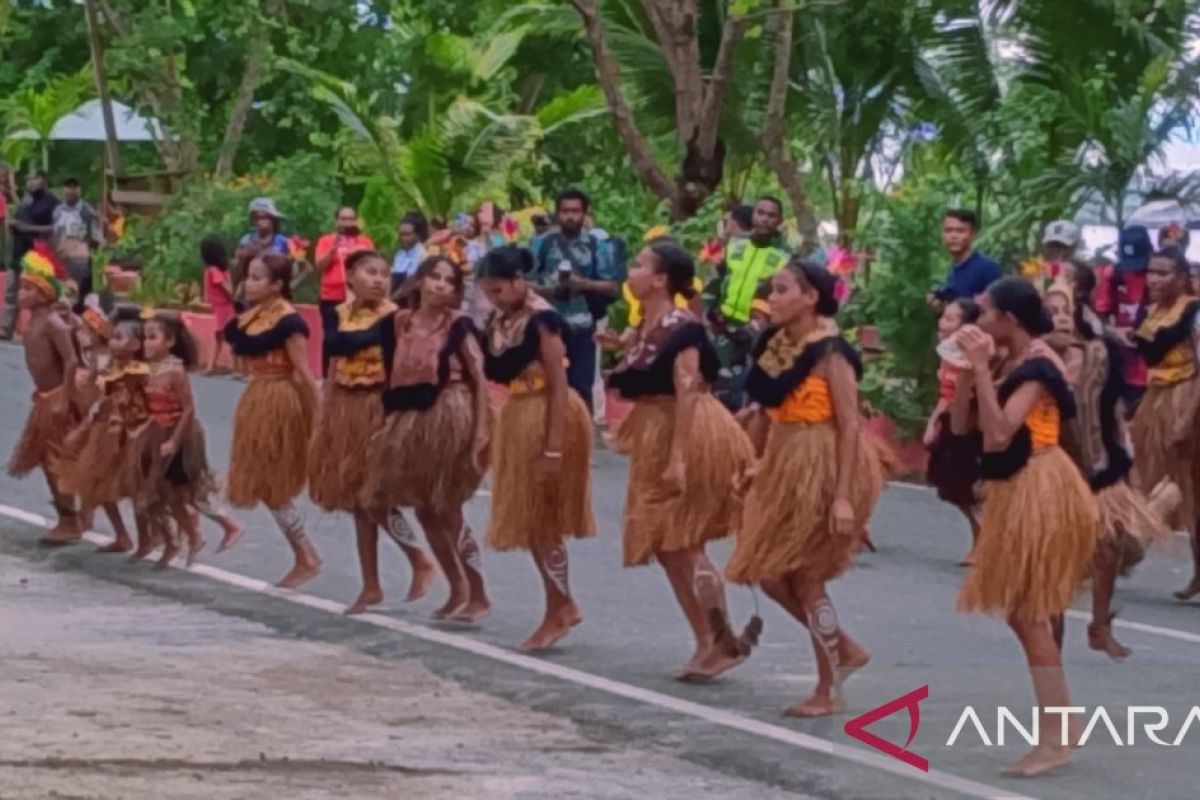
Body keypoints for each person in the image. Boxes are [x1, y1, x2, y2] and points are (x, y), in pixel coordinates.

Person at [725, 260, 889, 717]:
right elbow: (775, 412)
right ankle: (842, 648)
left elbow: (850, 424)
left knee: (806, 575)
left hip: (825, 463)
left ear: (810, 296)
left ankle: (828, 686)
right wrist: (762, 463)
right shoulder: (780, 345)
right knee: (772, 574)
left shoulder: (830, 351)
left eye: (781, 290)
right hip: (787, 459)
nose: (771, 298)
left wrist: (841, 496)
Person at [953, 278, 1098, 777]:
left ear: (1009, 320)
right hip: (1015, 486)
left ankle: (1056, 738)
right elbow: (959, 428)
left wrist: (979, 369)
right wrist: (969, 376)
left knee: (1031, 615)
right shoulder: (1009, 358)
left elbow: (996, 436)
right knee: (1024, 616)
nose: (977, 319)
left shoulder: (1037, 366)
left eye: (985, 312)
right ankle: (1065, 722)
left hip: (1041, 484)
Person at [603, 240, 758, 681]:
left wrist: (678, 458)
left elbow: (687, 391)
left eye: (638, 265)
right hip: (658, 426)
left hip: (688, 432)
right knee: (669, 546)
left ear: (659, 279)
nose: (630, 271)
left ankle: (722, 639)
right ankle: (707, 640)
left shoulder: (682, 327)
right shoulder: (650, 325)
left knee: (684, 543)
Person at [1042, 279, 1176, 659]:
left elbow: (1111, 409)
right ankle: (1050, 664)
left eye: (1067, 311)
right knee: (1055, 576)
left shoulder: (1099, 352)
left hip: (1097, 466)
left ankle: (1099, 625)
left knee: (1110, 546)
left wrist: (1123, 456)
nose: (1062, 319)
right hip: (1052, 477)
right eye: (1052, 312)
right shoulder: (1031, 360)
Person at [360, 256, 492, 622]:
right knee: (423, 508)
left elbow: (479, 379)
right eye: (433, 276)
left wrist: (480, 430)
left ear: (455, 291)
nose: (439, 285)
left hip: (450, 414)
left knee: (448, 507)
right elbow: (390, 372)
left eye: (448, 281)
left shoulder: (458, 326)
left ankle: (479, 593)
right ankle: (456, 587)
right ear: (420, 280)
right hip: (408, 416)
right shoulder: (399, 323)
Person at [479, 246, 595, 651]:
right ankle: (561, 603)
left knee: (543, 519)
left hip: (548, 411)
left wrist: (554, 446)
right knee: (532, 521)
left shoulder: (542, 320)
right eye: (487, 292)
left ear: (518, 282)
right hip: (519, 412)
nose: (492, 298)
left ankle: (560, 607)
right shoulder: (500, 318)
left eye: (497, 289)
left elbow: (560, 384)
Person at [309, 250, 437, 614]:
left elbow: (399, 363)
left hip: (379, 404)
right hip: (345, 407)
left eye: (383, 273)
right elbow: (334, 351)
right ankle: (371, 585)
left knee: (373, 496)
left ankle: (419, 558)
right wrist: (326, 407)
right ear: (349, 278)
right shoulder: (338, 314)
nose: (379, 279)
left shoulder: (396, 318)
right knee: (355, 502)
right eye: (369, 272)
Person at [224, 251, 322, 589]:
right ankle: (305, 555)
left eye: (257, 277)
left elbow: (304, 370)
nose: (248, 283)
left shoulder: (288, 320)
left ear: (277, 284)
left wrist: (319, 414)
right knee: (265, 485)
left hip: (280, 400)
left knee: (273, 484)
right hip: (257, 396)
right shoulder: (253, 317)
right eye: (248, 276)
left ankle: (306, 556)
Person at [1128, 247, 1200, 601]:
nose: (1154, 279)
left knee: (1187, 485)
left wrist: (1187, 417)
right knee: (1161, 481)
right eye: (1151, 272)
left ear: (1183, 277)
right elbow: (1149, 352)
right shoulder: (1153, 311)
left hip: (1189, 397)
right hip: (1157, 396)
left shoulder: (1195, 312)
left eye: (1163, 273)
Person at [59, 304, 156, 558]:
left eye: (118, 337)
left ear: (137, 345)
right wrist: (95, 412)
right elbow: (105, 393)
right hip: (107, 431)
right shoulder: (109, 364)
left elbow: (152, 404)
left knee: (136, 488)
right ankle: (122, 535)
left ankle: (146, 540)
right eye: (112, 336)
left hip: (134, 434)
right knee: (99, 482)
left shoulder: (143, 372)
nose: (112, 341)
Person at [6, 243, 79, 543]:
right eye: (21, 288)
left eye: (28, 289)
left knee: (58, 461)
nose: (21, 295)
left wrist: (64, 397)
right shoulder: (32, 321)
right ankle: (67, 517)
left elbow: (72, 360)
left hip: (58, 399)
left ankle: (71, 520)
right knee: (48, 463)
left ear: (44, 292)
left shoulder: (51, 322)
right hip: (44, 400)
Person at [531, 188, 623, 411]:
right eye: (564, 211)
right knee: (543, 386)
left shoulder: (597, 244)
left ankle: (581, 439)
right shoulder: (541, 243)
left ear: (584, 213)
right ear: (557, 213)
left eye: (575, 211)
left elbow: (613, 287)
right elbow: (524, 282)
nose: (569, 216)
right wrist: (550, 291)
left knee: (581, 390)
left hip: (582, 325)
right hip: (546, 323)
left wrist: (582, 284)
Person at [139, 312, 211, 568]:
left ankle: (195, 535)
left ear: (168, 342)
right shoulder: (152, 368)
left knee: (178, 494)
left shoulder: (175, 370)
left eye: (152, 337)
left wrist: (174, 441)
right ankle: (176, 540)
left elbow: (189, 408)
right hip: (159, 434)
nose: (146, 343)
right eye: (145, 337)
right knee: (157, 495)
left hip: (180, 435)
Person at [924, 299, 983, 560]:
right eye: (943, 317)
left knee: (969, 488)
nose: (942, 323)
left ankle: (984, 539)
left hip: (968, 429)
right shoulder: (946, 356)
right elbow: (944, 396)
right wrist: (933, 423)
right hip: (950, 424)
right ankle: (979, 534)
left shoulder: (974, 360)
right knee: (951, 487)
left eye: (950, 319)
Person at [315, 207, 375, 374]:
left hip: (358, 297)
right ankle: (328, 377)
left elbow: (373, 268)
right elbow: (319, 267)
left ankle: (351, 375)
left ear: (356, 220)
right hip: (331, 297)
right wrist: (333, 249)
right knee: (331, 338)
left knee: (355, 336)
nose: (347, 222)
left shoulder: (365, 242)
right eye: (343, 219)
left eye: (350, 219)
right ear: (337, 221)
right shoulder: (326, 241)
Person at [1, 172, 60, 339]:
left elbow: (56, 227)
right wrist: (14, 226)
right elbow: (18, 222)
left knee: (38, 295)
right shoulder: (25, 202)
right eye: (28, 180)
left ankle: (39, 332)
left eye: (34, 179)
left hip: (37, 256)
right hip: (18, 254)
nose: (30, 183)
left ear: (44, 180)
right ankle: (6, 330)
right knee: (11, 293)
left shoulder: (52, 202)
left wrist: (28, 228)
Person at [1109, 225, 1153, 410]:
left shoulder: (1159, 278)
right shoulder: (1114, 276)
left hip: (1151, 368)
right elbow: (1100, 313)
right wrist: (1114, 332)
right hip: (1123, 362)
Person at [927, 209, 1002, 310]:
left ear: (972, 235)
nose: (953, 236)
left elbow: (997, 310)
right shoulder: (953, 269)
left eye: (960, 231)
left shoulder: (986, 268)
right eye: (948, 230)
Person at [52, 178, 101, 310]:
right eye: (68, 189)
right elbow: (54, 233)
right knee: (62, 292)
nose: (71, 192)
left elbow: (95, 237)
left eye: (74, 188)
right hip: (62, 258)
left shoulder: (87, 211)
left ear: (79, 191)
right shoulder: (58, 211)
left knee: (79, 295)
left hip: (80, 259)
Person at [234, 197, 289, 294]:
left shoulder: (283, 242)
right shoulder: (246, 241)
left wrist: (289, 286)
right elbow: (236, 274)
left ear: (273, 219)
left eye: (266, 217)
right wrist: (244, 257)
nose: (262, 221)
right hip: (251, 294)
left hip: (275, 295)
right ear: (254, 220)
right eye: (259, 218)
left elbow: (297, 269)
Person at [202, 237, 237, 374]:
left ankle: (230, 367)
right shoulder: (223, 270)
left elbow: (227, 289)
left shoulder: (213, 271)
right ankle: (212, 366)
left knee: (223, 336)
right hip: (222, 306)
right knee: (222, 337)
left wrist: (230, 295)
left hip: (222, 307)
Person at [390, 212, 428, 296]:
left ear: (417, 235)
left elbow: (410, 283)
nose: (403, 238)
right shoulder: (400, 253)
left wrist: (392, 299)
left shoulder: (421, 254)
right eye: (401, 234)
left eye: (407, 234)